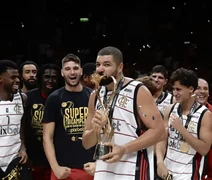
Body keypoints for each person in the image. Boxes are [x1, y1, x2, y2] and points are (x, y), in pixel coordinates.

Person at [82, 46, 165, 180]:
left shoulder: (138, 91)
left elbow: (160, 132)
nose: (100, 69)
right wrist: (96, 129)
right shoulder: (95, 95)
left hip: (133, 170)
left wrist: (124, 149)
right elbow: (86, 143)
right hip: (104, 171)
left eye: (107, 64)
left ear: (120, 67)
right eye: (98, 65)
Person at [43, 54, 94, 180]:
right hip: (62, 170)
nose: (72, 72)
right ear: (62, 72)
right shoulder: (54, 98)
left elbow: (102, 133)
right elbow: (47, 137)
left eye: (76, 68)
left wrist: (98, 162)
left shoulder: (93, 96)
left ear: (81, 71)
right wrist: (55, 167)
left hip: (89, 168)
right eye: (67, 69)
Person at [156, 68, 212, 180]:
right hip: (166, 173)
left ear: (191, 89)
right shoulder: (170, 109)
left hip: (189, 175)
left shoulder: (205, 115)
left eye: (178, 89)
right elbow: (162, 139)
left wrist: (182, 129)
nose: (174, 93)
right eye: (173, 89)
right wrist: (160, 162)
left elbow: (204, 149)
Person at [25, 64, 62, 180]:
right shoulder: (28, 97)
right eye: (47, 77)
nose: (50, 80)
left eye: (54, 77)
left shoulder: (62, 97)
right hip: (33, 157)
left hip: (57, 157)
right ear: (40, 78)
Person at [0, 60, 31, 179]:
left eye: (18, 77)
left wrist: (23, 147)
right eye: (12, 77)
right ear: (1, 79)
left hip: (15, 161)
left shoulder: (23, 99)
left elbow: (21, 128)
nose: (17, 80)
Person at [195, 78, 212, 180]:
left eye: (205, 89)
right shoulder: (180, 112)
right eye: (198, 88)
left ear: (209, 93)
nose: (202, 91)